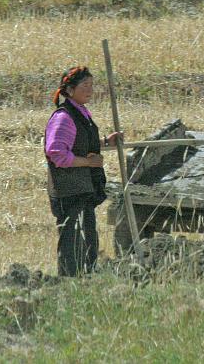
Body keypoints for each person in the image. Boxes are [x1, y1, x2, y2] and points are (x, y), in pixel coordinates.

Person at [44, 66, 123, 276]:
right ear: (69, 90)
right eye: (84, 86)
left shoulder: (80, 113)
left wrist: (106, 142)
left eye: (91, 85)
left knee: (87, 239)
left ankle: (85, 279)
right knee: (73, 241)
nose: (90, 90)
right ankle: (70, 282)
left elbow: (79, 145)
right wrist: (89, 163)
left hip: (81, 189)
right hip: (69, 191)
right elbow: (58, 154)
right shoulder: (64, 118)